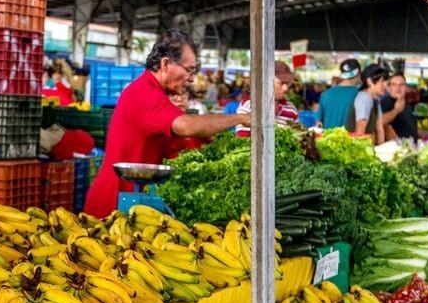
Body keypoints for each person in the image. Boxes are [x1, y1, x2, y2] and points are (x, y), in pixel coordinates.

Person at [83, 30, 250, 217]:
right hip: (114, 203)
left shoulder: (152, 92)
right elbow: (187, 126)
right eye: (189, 70)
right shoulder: (146, 95)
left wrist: (207, 136)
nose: (192, 78)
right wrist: (241, 118)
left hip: (133, 198)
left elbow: (177, 145)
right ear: (165, 64)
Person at [235, 61, 299, 137]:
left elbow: (297, 137)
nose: (286, 88)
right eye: (281, 83)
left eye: (288, 83)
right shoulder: (249, 106)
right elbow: (244, 141)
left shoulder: (291, 109)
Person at [345, 64, 389, 140]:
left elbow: (380, 130)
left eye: (385, 80)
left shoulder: (375, 99)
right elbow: (359, 134)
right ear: (369, 81)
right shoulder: (364, 98)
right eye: (381, 81)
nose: (385, 85)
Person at [316, 58, 361, 129]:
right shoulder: (360, 95)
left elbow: (318, 123)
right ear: (358, 73)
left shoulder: (325, 94)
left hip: (326, 139)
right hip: (350, 139)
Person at [381, 72, 417, 140]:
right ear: (388, 88)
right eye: (394, 85)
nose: (398, 88)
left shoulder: (406, 103)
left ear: (406, 87)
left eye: (401, 85)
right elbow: (382, 124)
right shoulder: (384, 103)